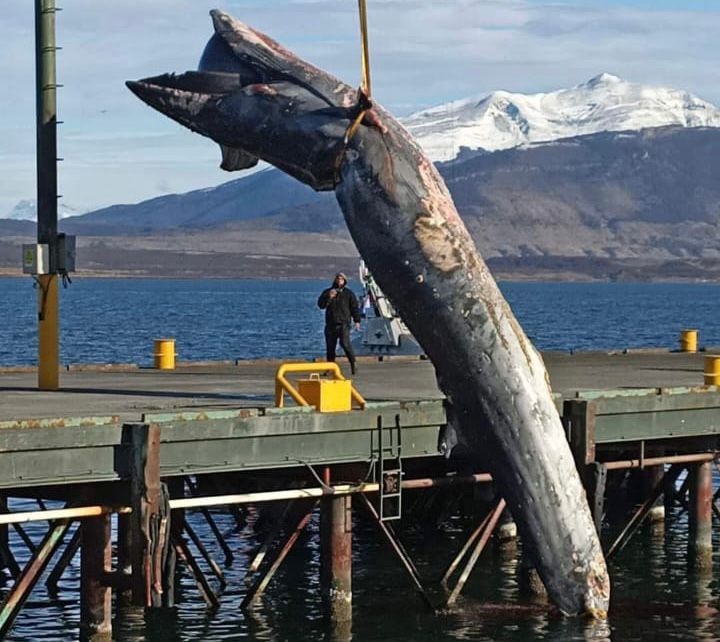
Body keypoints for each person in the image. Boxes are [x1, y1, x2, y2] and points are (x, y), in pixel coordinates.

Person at [318, 272, 361, 374]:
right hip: (330, 324)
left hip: (343, 323)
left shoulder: (348, 294)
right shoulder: (328, 291)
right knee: (330, 347)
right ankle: (330, 367)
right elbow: (321, 305)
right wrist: (329, 297)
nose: (339, 280)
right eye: (337, 278)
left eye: (341, 279)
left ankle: (353, 363)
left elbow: (354, 307)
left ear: (344, 281)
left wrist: (357, 321)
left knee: (345, 343)